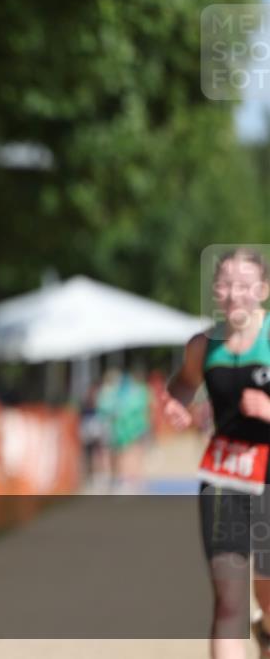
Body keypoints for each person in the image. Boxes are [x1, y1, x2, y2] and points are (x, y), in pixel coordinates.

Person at [161, 248, 270, 659]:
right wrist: (175, 403)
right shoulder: (203, 346)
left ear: (263, 289)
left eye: (243, 285)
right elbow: (183, 385)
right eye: (224, 285)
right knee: (229, 600)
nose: (233, 294)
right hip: (225, 477)